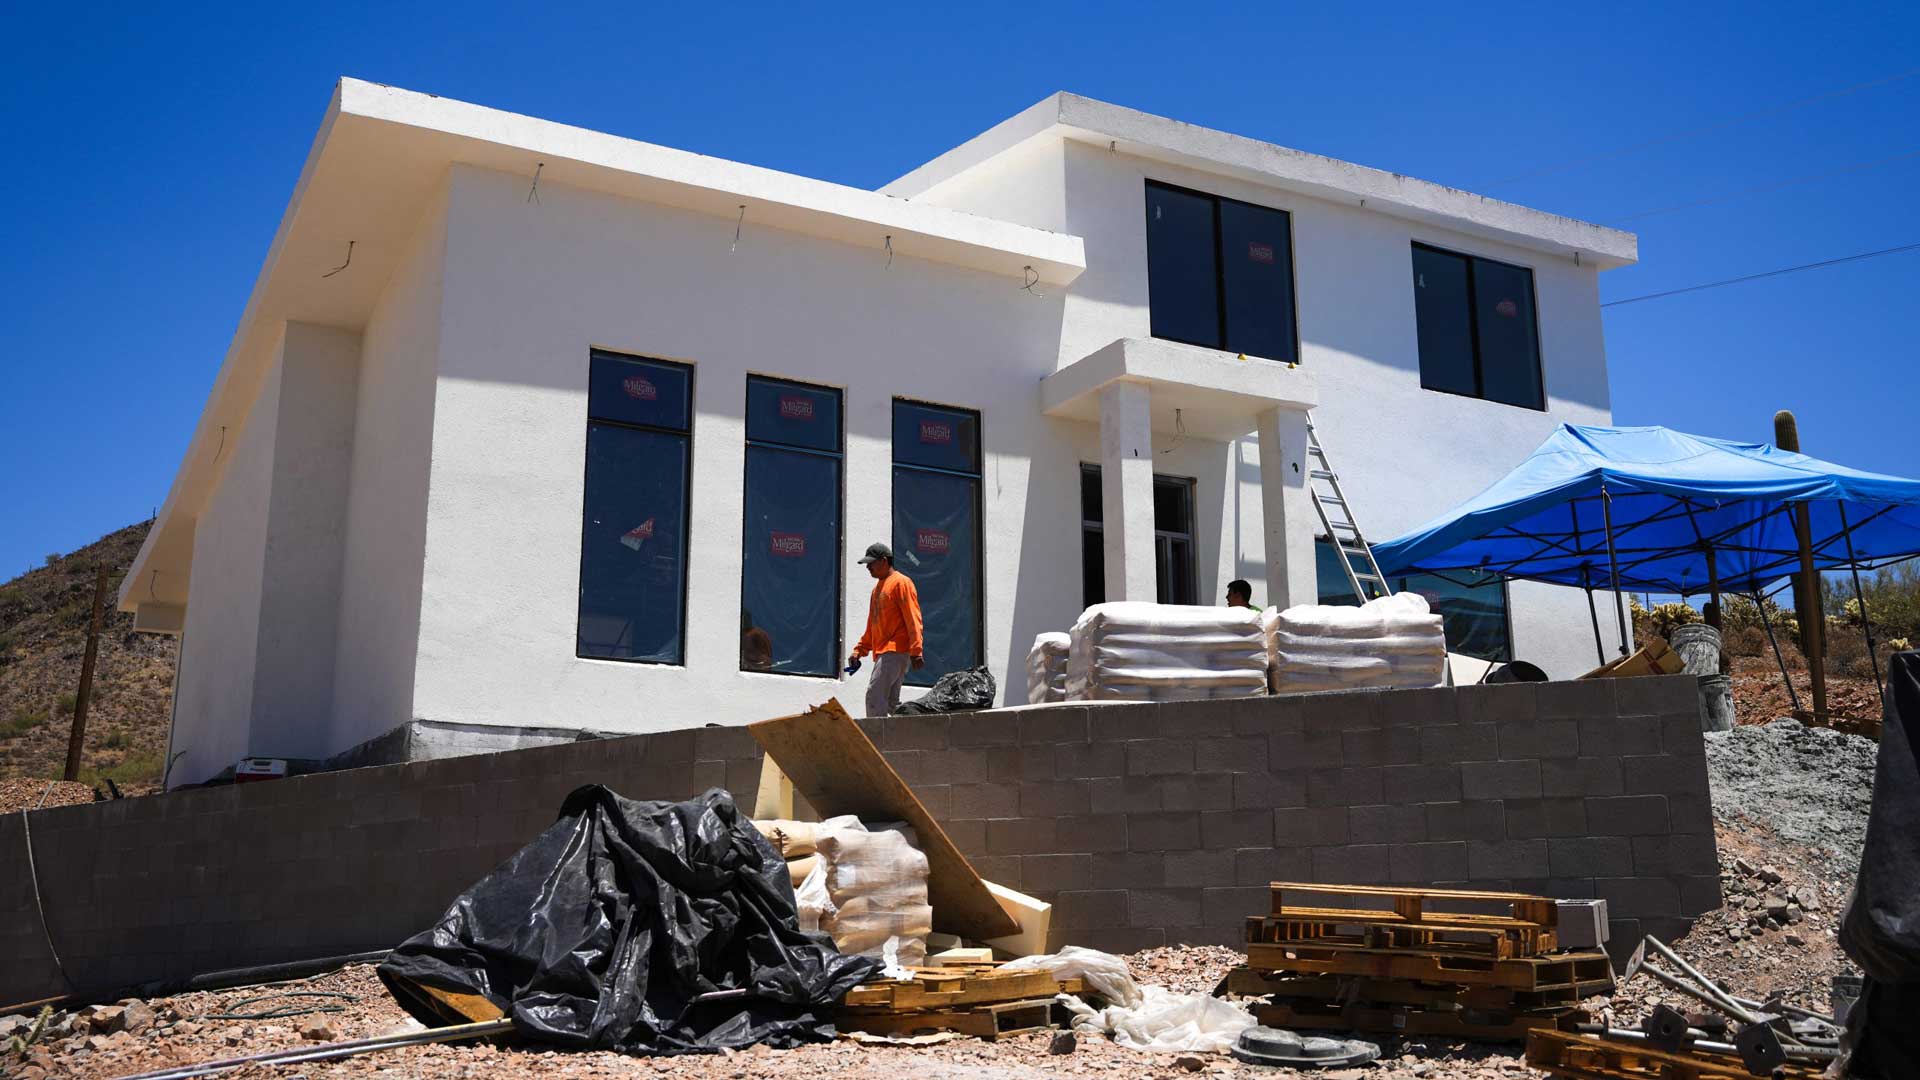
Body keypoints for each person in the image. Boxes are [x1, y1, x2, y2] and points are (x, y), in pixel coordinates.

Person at [849, 542, 923, 717]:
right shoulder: (877, 590)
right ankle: (907, 735)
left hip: (895, 651)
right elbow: (872, 627)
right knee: (891, 705)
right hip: (888, 654)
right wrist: (859, 651)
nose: (867, 567)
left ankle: (875, 742)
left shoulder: (901, 583)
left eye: (871, 563)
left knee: (874, 697)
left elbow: (913, 617)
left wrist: (916, 651)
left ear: (884, 561)